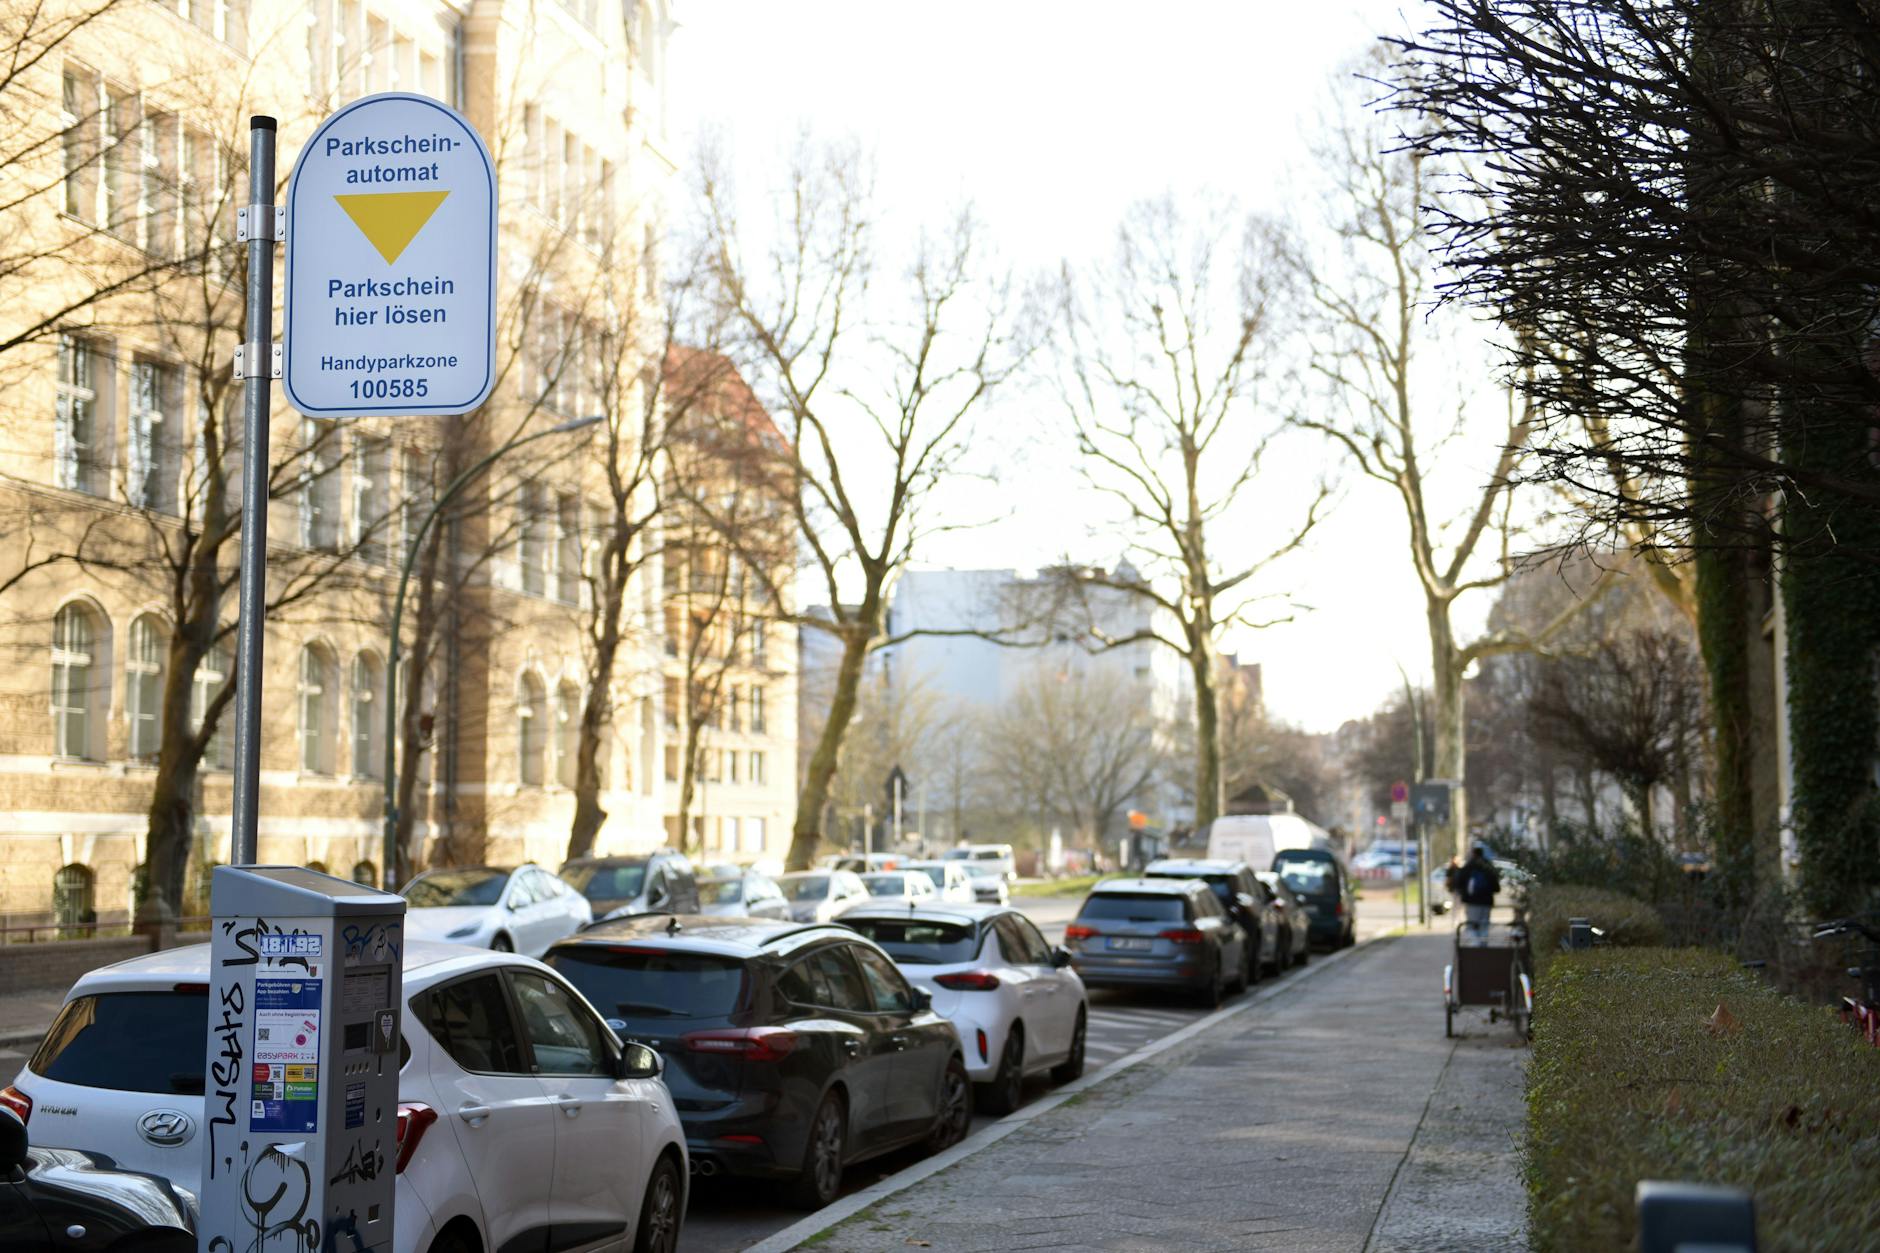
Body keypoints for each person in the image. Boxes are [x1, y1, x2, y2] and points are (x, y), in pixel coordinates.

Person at [1457, 844, 1500, 938]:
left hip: (1471, 901)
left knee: (1472, 925)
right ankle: (1483, 946)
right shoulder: (1488, 866)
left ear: (1473, 854)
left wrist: (1462, 894)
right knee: (1484, 925)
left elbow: (1460, 882)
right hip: (1486, 901)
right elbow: (1496, 886)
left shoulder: (1468, 866)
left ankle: (1474, 947)